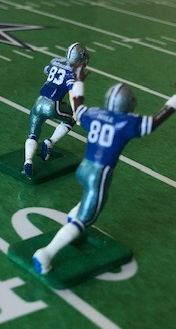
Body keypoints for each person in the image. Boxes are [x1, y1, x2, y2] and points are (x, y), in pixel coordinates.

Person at [32, 64, 176, 275]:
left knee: (85, 201)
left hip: (84, 168)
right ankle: (46, 254)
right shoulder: (127, 123)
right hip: (99, 174)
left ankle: (74, 216)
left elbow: (77, 104)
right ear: (128, 104)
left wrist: (79, 78)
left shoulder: (94, 114)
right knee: (85, 219)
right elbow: (155, 121)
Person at [22, 42, 90, 179]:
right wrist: (76, 111)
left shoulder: (56, 61)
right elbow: (72, 94)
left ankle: (28, 161)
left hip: (38, 102)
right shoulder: (74, 72)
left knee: (33, 134)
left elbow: (46, 70)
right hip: (53, 105)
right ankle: (50, 142)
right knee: (69, 120)